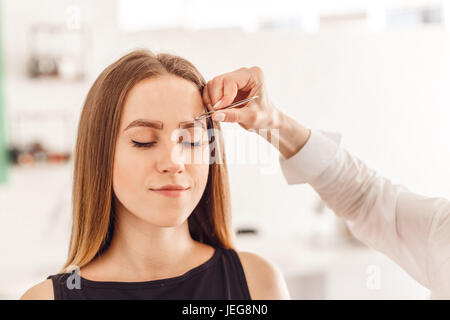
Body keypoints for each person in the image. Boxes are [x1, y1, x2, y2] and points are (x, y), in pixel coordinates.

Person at [19, 49, 290, 300]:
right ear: (100, 156)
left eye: (192, 140)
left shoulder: (257, 282)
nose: (174, 163)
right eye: (143, 141)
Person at [201, 66, 450, 299]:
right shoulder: (443, 229)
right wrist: (272, 121)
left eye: (189, 141)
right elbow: (364, 197)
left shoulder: (259, 278)